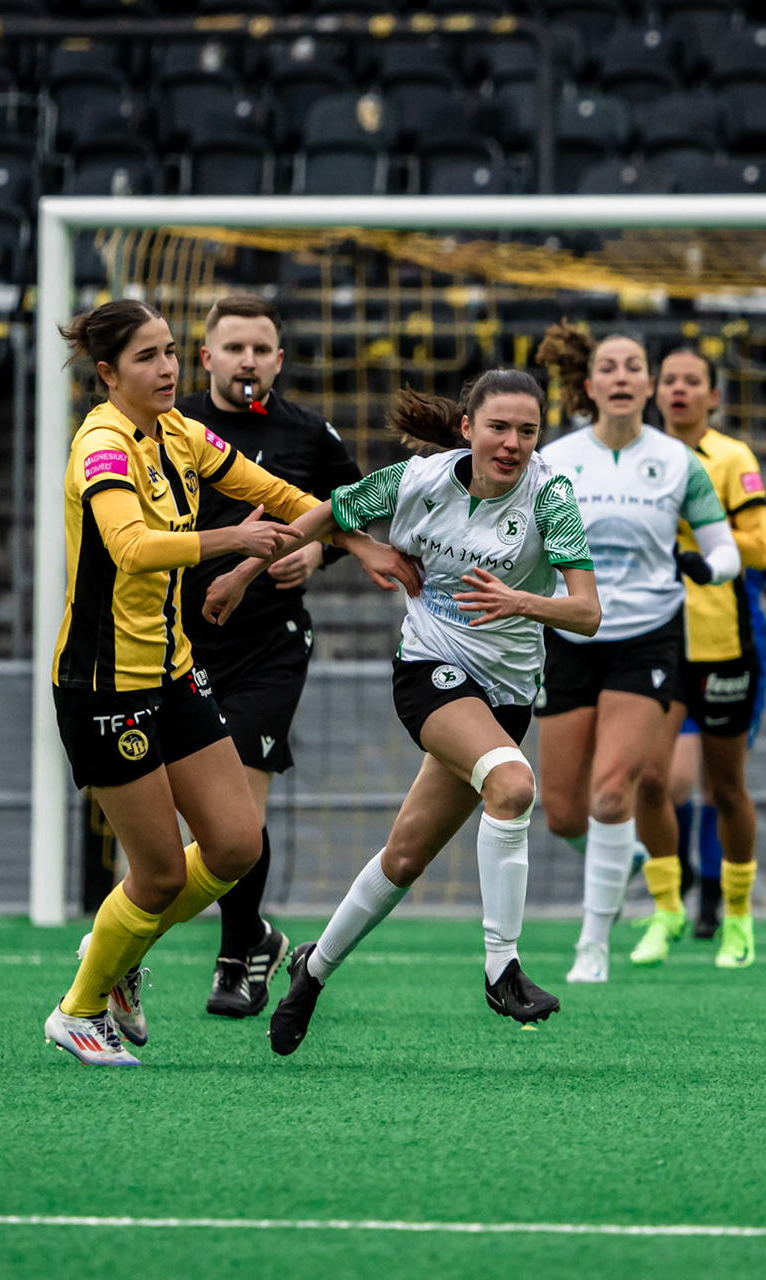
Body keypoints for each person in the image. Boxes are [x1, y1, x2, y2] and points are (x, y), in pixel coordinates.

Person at [42, 299, 413, 1067]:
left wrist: (360, 546)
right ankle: (80, 1005)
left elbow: (276, 492)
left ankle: (118, 950)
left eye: (172, 351)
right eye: (147, 357)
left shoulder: (179, 432)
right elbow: (134, 548)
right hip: (105, 686)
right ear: (109, 373)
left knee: (238, 843)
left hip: (173, 672)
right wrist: (235, 539)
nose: (168, 367)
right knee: (154, 873)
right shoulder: (102, 445)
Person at [222, 371, 601, 1057]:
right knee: (513, 786)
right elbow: (329, 511)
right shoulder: (417, 480)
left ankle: (312, 969)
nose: (512, 443)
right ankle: (501, 969)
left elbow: (587, 612)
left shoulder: (550, 496)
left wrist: (523, 603)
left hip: (506, 695)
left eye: (526, 431)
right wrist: (246, 571)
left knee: (404, 857)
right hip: (430, 672)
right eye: (498, 427)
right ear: (467, 428)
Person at [533, 326, 741, 985]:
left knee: (614, 786)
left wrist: (707, 570)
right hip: (570, 634)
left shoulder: (680, 463)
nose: (621, 376)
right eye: (608, 368)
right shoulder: (555, 458)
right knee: (563, 812)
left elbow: (727, 548)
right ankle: (617, 856)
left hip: (648, 636)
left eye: (633, 367)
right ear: (590, 386)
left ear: (648, 385)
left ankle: (593, 946)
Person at [176, 294, 363, 1018]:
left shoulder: (308, 435)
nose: (247, 360)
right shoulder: (172, 427)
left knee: (241, 804)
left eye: (261, 348)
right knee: (199, 825)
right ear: (207, 358)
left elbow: (358, 515)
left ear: (279, 360)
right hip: (181, 644)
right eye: (234, 347)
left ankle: (234, 963)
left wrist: (314, 552)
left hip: (270, 645)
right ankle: (255, 935)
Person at [640, 347, 766, 968]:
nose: (680, 390)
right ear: (654, 392)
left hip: (724, 643)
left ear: (713, 397)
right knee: (657, 778)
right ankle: (670, 905)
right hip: (654, 639)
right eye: (670, 381)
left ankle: (730, 907)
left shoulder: (734, 458)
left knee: (722, 785)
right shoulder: (636, 460)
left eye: (694, 382)